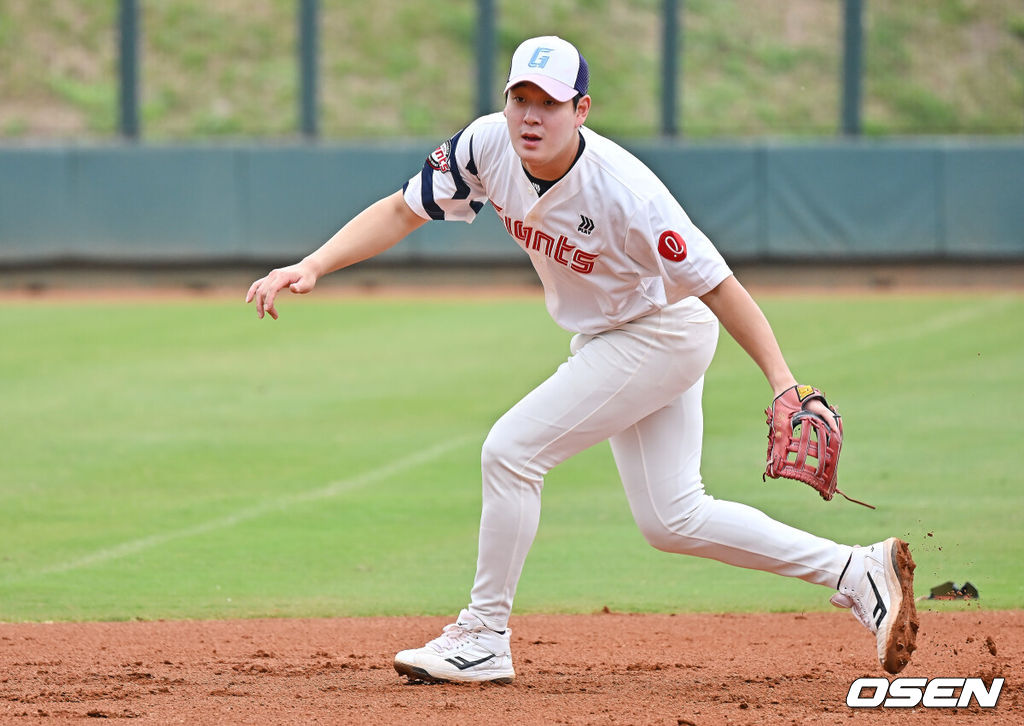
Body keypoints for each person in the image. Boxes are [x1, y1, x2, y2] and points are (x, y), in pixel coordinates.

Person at [246, 36, 918, 683]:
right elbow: (402, 210)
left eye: (550, 102)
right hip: (612, 336)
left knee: (510, 452)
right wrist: (312, 265)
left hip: (658, 335)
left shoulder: (628, 193)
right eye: (521, 98)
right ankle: (856, 571)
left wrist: (783, 383)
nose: (531, 116)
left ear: (582, 110)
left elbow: (717, 284)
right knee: (672, 517)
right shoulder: (486, 144)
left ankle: (483, 636)